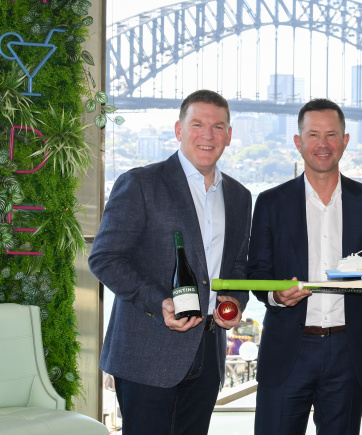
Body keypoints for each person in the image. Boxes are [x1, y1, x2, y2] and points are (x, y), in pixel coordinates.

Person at [247, 98, 362, 435]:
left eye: (331, 135)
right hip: (286, 352)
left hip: (347, 353)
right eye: (312, 135)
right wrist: (277, 297)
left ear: (345, 140)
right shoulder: (270, 202)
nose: (322, 145)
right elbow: (257, 275)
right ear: (298, 142)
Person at [89, 90, 251, 435]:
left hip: (209, 352)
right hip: (147, 351)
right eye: (197, 125)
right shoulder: (141, 183)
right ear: (179, 130)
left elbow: (237, 267)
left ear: (229, 134)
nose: (207, 135)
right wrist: (159, 301)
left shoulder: (239, 196)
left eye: (217, 126)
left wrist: (235, 300)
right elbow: (104, 257)